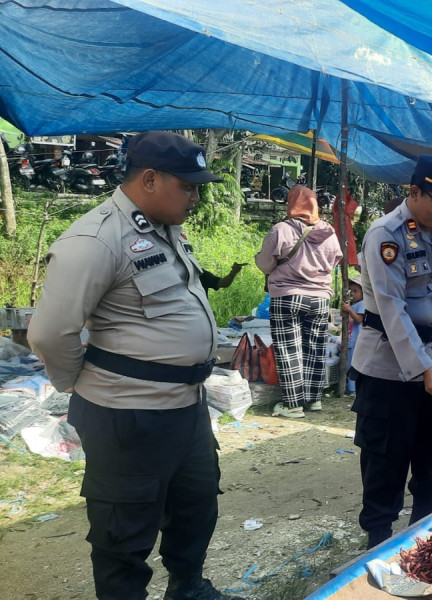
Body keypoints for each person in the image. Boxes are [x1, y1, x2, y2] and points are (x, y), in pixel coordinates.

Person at [28, 131, 235, 600]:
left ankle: (188, 588)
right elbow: (48, 333)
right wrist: (77, 383)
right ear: (148, 179)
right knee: (125, 531)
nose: (195, 197)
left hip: (185, 409)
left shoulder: (164, 229)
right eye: (188, 186)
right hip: (127, 417)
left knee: (195, 506)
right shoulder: (95, 239)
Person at [350, 155, 432, 549]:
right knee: (386, 457)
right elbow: (391, 308)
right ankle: (379, 541)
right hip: (388, 368)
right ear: (414, 192)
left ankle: (425, 533)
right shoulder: (386, 234)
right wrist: (422, 368)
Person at [256, 186, 342, 418]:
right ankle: (313, 399)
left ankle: (292, 405)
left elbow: (264, 264)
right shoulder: (329, 232)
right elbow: (336, 261)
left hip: (287, 295)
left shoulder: (281, 230)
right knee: (315, 349)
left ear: (291, 203)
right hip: (320, 298)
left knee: (289, 349)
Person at [342, 276, 365, 394]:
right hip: (351, 338)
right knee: (348, 363)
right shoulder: (353, 304)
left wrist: (349, 310)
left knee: (353, 364)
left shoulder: (362, 304)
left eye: (356, 291)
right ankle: (349, 387)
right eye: (352, 291)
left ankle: (352, 388)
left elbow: (358, 319)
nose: (353, 294)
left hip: (357, 339)